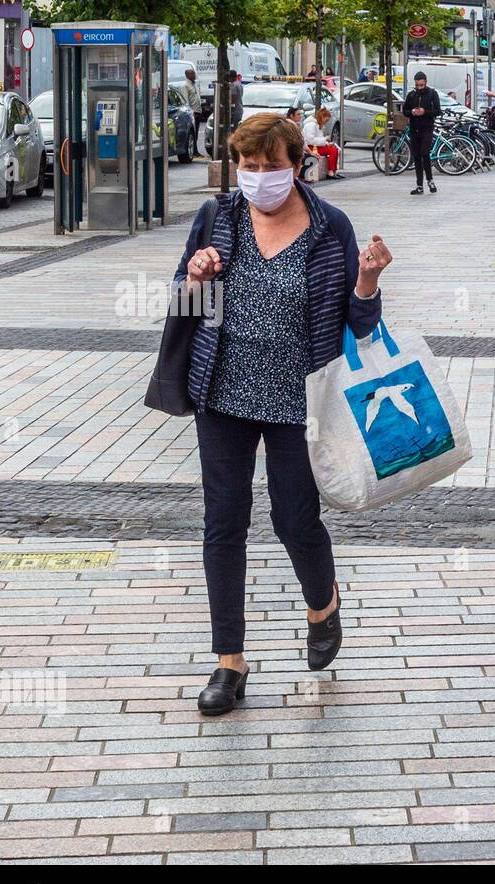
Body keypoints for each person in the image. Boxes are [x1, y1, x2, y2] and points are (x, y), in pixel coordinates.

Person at [174, 113, 391, 716]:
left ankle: (322, 606)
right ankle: (229, 662)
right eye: (248, 166)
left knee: (295, 519)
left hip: (301, 401)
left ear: (298, 165)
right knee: (224, 523)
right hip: (223, 394)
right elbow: (182, 299)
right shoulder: (218, 218)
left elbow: (360, 326)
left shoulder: (330, 228)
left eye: (271, 167)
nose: (259, 177)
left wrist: (367, 283)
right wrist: (195, 277)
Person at [402, 71, 441, 195]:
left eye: (421, 85)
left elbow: (437, 111)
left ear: (425, 83)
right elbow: (405, 110)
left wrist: (425, 111)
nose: (419, 88)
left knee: (425, 153)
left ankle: (430, 180)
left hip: (427, 128)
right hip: (414, 128)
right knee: (417, 156)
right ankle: (419, 185)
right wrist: (412, 112)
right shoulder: (411, 95)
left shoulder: (432, 94)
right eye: (417, 85)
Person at [302, 106, 340, 178]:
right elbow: (310, 140)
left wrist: (326, 143)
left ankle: (333, 171)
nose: (326, 122)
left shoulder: (317, 125)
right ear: (322, 117)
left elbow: (317, 139)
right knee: (333, 151)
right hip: (311, 147)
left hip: (314, 146)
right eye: (326, 120)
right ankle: (331, 171)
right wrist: (325, 139)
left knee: (334, 150)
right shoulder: (311, 125)